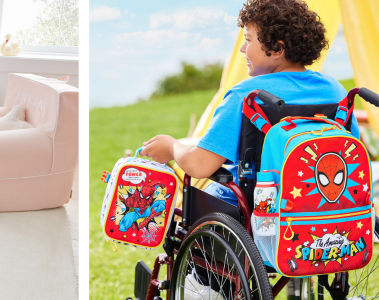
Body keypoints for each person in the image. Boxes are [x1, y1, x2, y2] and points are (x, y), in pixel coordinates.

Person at [140, 0, 359, 206]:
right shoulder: (336, 91)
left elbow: (199, 165)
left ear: (277, 49)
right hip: (320, 207)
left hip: (254, 210)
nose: (242, 49)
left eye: (248, 39)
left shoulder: (246, 95)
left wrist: (172, 146)